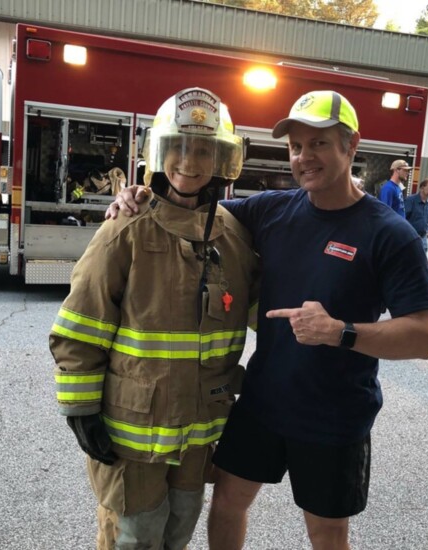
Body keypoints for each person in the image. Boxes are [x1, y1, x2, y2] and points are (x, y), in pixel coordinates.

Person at [108, 90, 428, 549]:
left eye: (319, 143)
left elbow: (423, 337)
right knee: (226, 503)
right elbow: (193, 209)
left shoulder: (389, 234)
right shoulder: (272, 209)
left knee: (325, 532)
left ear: (351, 145)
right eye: (296, 146)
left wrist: (339, 332)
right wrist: (141, 193)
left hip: (334, 416)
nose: (305, 157)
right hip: (263, 403)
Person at [49, 87, 259, 550]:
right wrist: (80, 409)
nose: (189, 161)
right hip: (131, 434)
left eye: (203, 149)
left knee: (179, 531)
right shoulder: (125, 228)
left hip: (198, 437)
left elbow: (266, 311)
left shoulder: (234, 237)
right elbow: (80, 327)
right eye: (178, 148)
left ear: (222, 160)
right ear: (158, 154)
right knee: (134, 538)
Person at [404, 178, 428, 252]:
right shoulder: (411, 200)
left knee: (421, 261)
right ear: (422, 188)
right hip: (410, 237)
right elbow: (403, 217)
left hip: (423, 238)